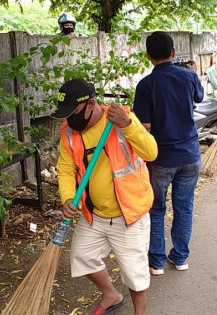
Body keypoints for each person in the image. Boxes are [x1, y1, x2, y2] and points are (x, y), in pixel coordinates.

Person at [51, 78, 158, 315]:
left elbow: (151, 153)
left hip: (129, 214)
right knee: (82, 256)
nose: (70, 120)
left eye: (74, 112)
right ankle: (111, 294)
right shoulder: (69, 132)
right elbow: (66, 168)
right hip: (95, 214)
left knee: (135, 274)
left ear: (91, 104)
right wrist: (68, 197)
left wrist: (129, 125)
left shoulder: (120, 120)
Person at [133, 31, 204, 276]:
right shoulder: (189, 76)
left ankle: (156, 262)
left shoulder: (145, 85)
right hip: (190, 155)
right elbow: (199, 98)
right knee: (184, 207)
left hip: (161, 159)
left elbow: (145, 128)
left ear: (148, 56)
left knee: (156, 209)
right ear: (173, 52)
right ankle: (181, 257)